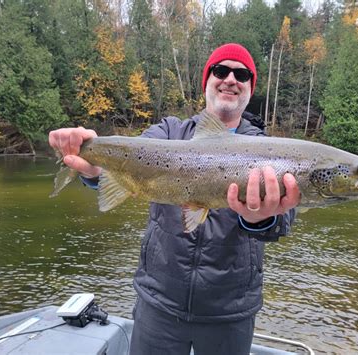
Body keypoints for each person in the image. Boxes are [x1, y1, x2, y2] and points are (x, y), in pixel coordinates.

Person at [49, 43, 300, 355]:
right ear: (207, 81)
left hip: (229, 311)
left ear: (250, 87)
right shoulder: (169, 131)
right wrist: (94, 162)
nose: (230, 79)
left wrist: (260, 219)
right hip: (159, 304)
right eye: (221, 71)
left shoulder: (268, 150)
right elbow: (128, 161)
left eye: (242, 74)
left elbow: (283, 221)